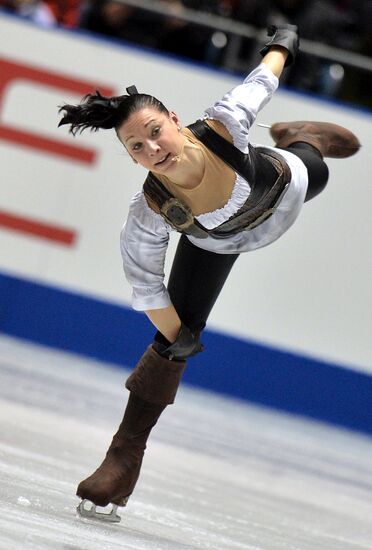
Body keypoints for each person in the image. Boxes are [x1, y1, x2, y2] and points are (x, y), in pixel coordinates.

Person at [58, 25, 360, 522]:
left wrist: (282, 42)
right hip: (212, 242)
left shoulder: (223, 124)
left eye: (155, 131)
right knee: (169, 342)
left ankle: (307, 135)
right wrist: (180, 339)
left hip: (281, 191)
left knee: (313, 163)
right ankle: (122, 458)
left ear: (175, 120)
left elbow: (263, 79)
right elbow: (146, 285)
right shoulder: (151, 208)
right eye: (137, 147)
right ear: (131, 157)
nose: (152, 149)